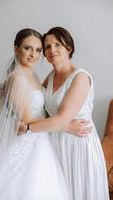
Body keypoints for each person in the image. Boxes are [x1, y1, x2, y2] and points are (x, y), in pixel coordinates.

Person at [0, 28, 71, 200]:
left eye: (38, 50)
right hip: (27, 140)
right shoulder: (16, 78)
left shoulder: (34, 75)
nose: (33, 55)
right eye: (28, 48)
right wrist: (63, 125)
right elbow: (28, 119)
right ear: (16, 49)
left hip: (40, 139)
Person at [21, 27, 109, 200]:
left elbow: (62, 118)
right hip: (54, 143)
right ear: (44, 54)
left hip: (78, 146)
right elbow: (40, 105)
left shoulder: (80, 78)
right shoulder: (51, 76)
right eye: (47, 47)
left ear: (69, 47)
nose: (52, 50)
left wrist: (28, 127)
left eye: (57, 44)